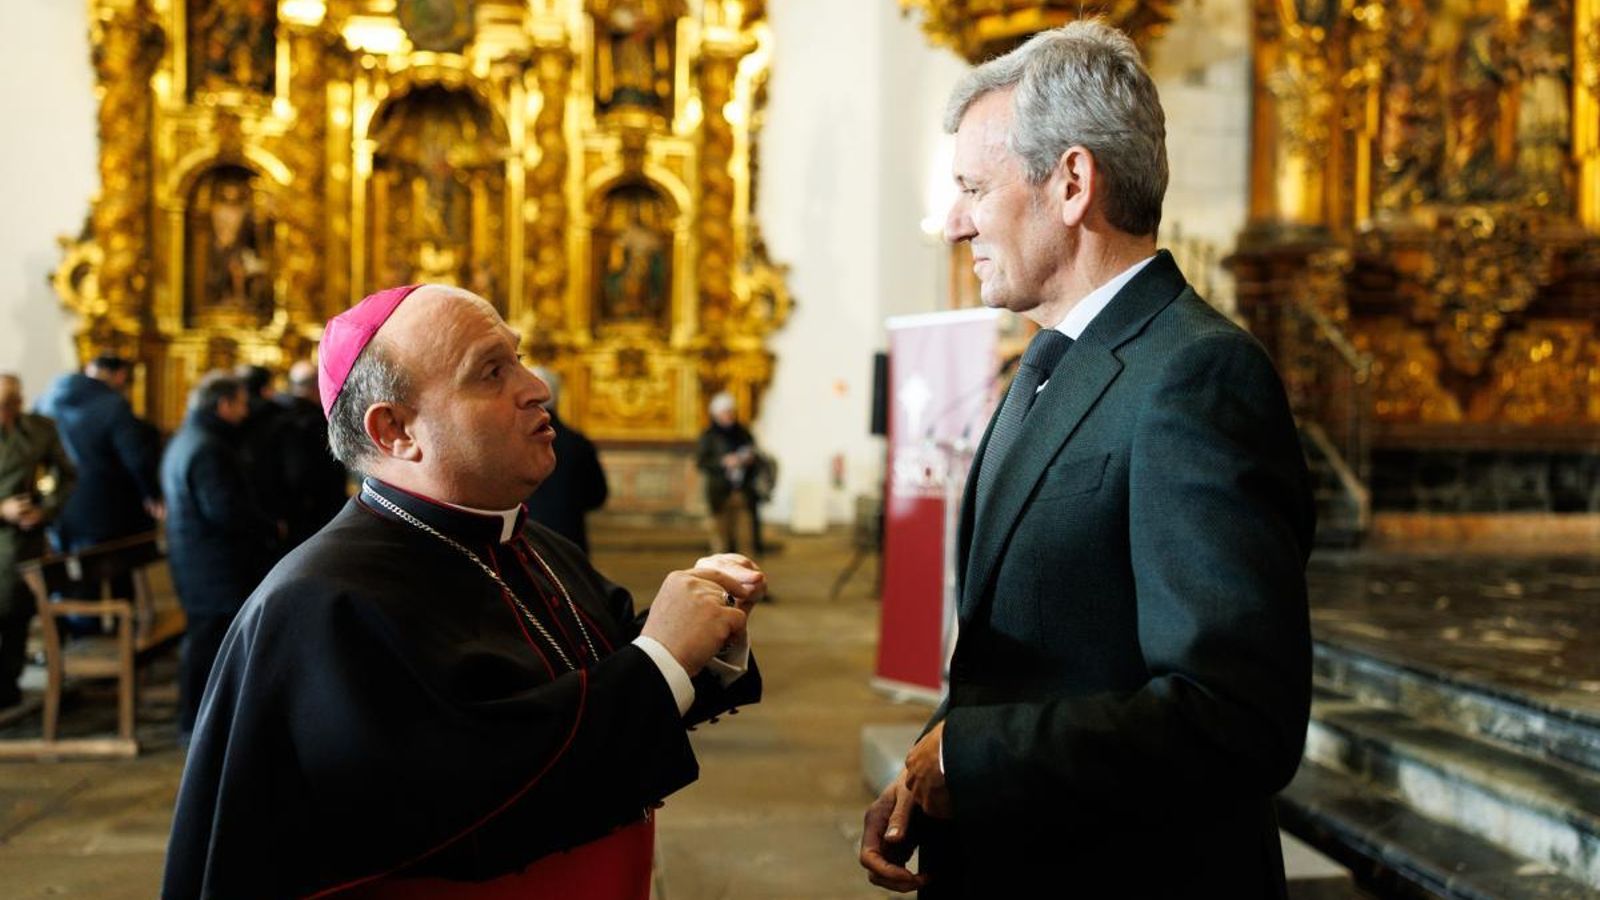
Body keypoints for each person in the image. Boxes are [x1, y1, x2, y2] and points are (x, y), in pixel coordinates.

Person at [859, 21, 1315, 898]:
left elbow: (1237, 717)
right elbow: (1034, 646)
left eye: (973, 188)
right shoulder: (1050, 361)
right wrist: (928, 768)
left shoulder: (1197, 375)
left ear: (1070, 184)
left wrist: (973, 756)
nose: (953, 224)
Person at [165, 284, 764, 899]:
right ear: (396, 430)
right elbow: (466, 793)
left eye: (519, 357)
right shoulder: (321, 604)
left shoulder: (535, 545)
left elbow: (599, 671)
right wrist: (661, 657)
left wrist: (706, 628)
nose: (537, 387)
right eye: (491, 372)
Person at [160, 371, 278, 742]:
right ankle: (199, 726)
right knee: (209, 645)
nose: (246, 412)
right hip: (214, 566)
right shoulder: (209, 447)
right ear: (223, 404)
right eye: (241, 404)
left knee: (206, 642)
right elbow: (225, 510)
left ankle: (200, 723)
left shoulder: (189, 438)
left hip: (199, 562)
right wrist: (268, 527)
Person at [0, 375, 77, 710]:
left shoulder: (39, 429)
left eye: (13, 402)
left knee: (17, 612)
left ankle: (8, 685)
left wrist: (45, 510)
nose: (8, 411)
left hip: (22, 541)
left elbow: (67, 474)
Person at [34, 355, 162, 553]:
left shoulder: (45, 400)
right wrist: (152, 495)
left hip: (60, 508)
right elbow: (136, 458)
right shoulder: (112, 404)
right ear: (120, 375)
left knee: (71, 577)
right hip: (110, 509)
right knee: (120, 574)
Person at [522, 366, 608, 553]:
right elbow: (597, 495)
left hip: (526, 537)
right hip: (570, 537)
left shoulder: (514, 440)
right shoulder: (578, 442)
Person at [268, 361, 349, 550]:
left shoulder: (275, 416)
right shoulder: (316, 422)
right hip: (315, 510)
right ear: (317, 386)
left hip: (285, 511)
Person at [695, 392, 766, 557]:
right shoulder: (709, 436)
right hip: (720, 493)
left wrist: (749, 459)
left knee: (746, 540)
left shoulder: (743, 433)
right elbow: (702, 462)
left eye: (730, 412)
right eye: (725, 412)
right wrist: (723, 462)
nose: (729, 416)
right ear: (716, 414)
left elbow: (756, 455)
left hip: (742, 492)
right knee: (721, 541)